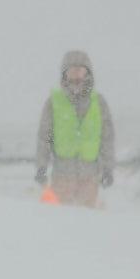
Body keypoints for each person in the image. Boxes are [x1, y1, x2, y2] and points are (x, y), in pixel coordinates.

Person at [35, 50, 116, 207]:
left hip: (90, 179)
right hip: (62, 177)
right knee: (58, 217)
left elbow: (107, 138)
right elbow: (44, 138)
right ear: (64, 75)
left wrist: (108, 169)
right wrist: (41, 167)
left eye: (80, 71)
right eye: (72, 72)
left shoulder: (99, 103)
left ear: (88, 74)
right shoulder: (53, 102)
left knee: (88, 218)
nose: (76, 77)